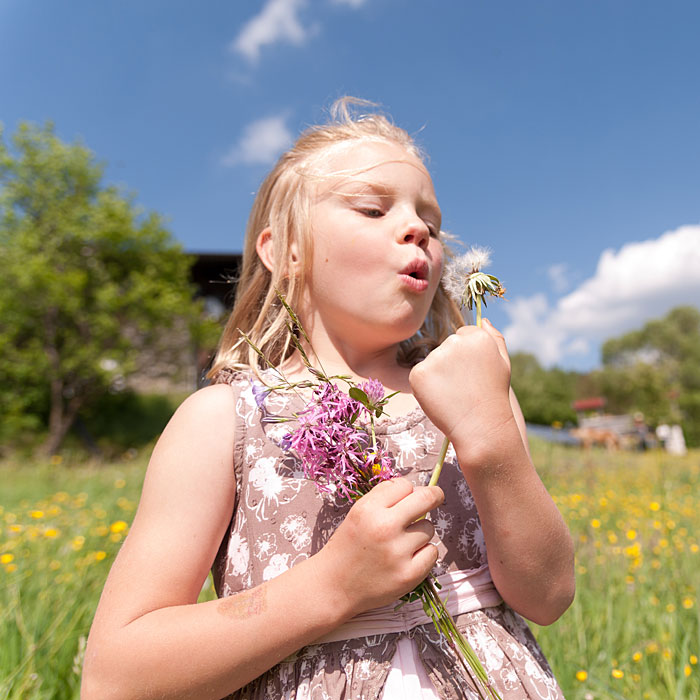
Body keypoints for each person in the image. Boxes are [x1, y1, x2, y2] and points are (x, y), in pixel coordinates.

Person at [82, 98, 575, 700]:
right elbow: (115, 677)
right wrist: (330, 588)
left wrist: (493, 442)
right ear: (284, 249)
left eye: (433, 223)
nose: (418, 228)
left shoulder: (480, 395)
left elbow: (547, 596)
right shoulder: (223, 419)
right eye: (372, 207)